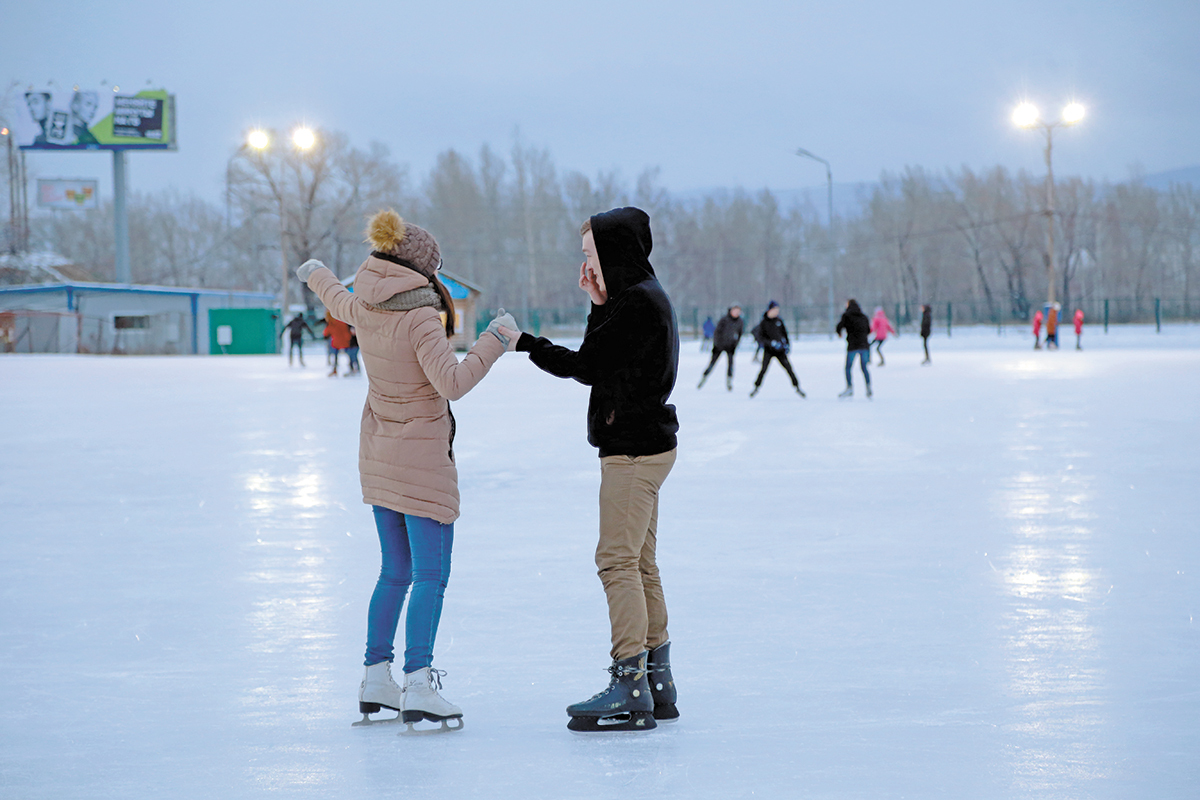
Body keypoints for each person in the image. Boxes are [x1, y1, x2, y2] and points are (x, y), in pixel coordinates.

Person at [295, 209, 513, 734]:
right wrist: (496, 338)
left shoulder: (365, 303)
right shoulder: (419, 317)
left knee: (394, 570)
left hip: (380, 454)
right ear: (422, 271)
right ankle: (417, 683)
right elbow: (453, 382)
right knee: (430, 576)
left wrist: (314, 271)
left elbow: (335, 297)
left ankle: (376, 677)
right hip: (421, 463)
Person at [498, 207, 679, 733]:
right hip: (648, 446)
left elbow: (585, 365)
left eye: (589, 252)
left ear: (612, 250)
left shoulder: (638, 303)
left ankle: (631, 683)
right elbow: (606, 355)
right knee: (640, 563)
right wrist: (597, 302)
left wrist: (522, 343)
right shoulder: (639, 296)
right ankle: (656, 681)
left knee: (616, 562)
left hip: (631, 453)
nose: (585, 262)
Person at [749, 301, 805, 398]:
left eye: (777, 310)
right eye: (774, 310)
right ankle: (756, 387)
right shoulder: (763, 323)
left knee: (789, 368)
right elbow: (760, 337)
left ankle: (797, 386)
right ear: (769, 310)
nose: (776, 312)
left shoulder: (779, 321)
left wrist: (787, 345)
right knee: (763, 369)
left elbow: (785, 334)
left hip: (780, 350)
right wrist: (770, 343)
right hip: (769, 350)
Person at [698, 305, 743, 391]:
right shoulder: (724, 319)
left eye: (738, 311)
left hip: (730, 346)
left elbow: (740, 333)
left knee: (730, 364)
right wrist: (717, 344)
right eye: (735, 310)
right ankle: (704, 377)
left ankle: (729, 381)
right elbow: (717, 332)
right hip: (719, 345)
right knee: (712, 363)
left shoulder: (739, 321)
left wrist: (735, 344)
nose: (736, 313)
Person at [836, 299, 872, 398]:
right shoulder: (864, 317)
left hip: (853, 345)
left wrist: (840, 333)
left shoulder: (846, 316)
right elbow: (868, 330)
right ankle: (868, 387)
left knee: (848, 367)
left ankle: (849, 388)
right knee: (864, 367)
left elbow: (839, 326)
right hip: (864, 345)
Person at [325, 311, 352, 376]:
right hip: (344, 341)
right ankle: (351, 368)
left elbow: (326, 332)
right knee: (349, 356)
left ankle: (335, 369)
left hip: (336, 342)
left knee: (335, 356)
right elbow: (346, 332)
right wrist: (348, 339)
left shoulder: (332, 323)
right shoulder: (342, 321)